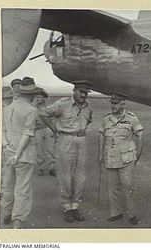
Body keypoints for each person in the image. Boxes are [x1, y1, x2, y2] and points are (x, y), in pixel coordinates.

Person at [39, 82, 93, 223]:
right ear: (74, 90)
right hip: (65, 140)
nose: (83, 95)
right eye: (81, 91)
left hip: (81, 140)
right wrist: (54, 129)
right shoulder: (63, 104)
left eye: (86, 93)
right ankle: (67, 208)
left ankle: (75, 206)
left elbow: (88, 121)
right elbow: (43, 113)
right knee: (65, 176)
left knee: (80, 177)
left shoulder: (88, 107)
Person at [98, 92, 144, 225]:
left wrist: (138, 155)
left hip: (126, 159)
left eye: (115, 103)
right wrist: (100, 154)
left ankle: (132, 214)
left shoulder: (131, 118)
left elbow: (140, 135)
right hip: (111, 157)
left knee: (128, 187)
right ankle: (116, 213)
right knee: (112, 187)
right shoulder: (106, 119)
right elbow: (101, 135)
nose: (113, 106)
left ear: (123, 104)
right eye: (112, 103)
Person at [1, 77, 40, 229]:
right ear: (30, 94)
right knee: (22, 188)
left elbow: (3, 130)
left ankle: (6, 213)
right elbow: (27, 134)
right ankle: (17, 221)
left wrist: (6, 147)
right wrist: (17, 154)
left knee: (8, 185)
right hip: (23, 155)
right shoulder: (32, 110)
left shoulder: (8, 108)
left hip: (8, 151)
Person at [32, 87, 56, 177]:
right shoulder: (33, 108)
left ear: (44, 98)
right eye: (36, 97)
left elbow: (53, 119)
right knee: (39, 150)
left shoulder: (49, 108)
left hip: (47, 129)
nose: (38, 99)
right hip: (37, 130)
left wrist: (53, 130)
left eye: (40, 97)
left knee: (50, 149)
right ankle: (41, 168)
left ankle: (52, 168)